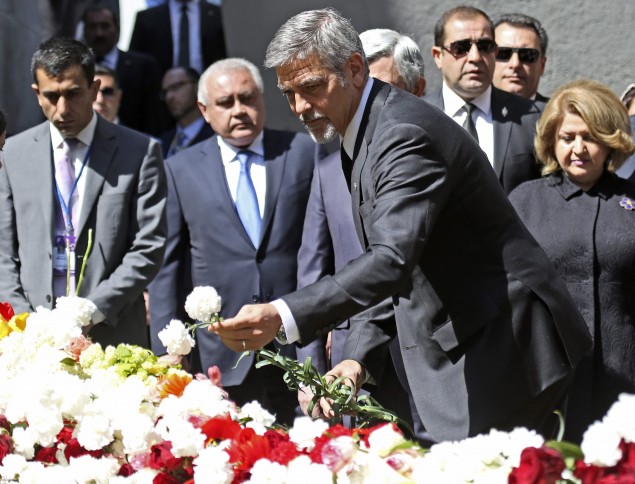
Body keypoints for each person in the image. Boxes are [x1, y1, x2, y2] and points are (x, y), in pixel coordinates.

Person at [211, 8, 592, 443]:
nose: (299, 106)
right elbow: (394, 262)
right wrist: (357, 359)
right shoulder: (362, 127)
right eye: (288, 93)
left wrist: (283, 314)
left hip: (510, 351)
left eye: (311, 87)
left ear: (355, 69)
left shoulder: (400, 132)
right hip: (469, 348)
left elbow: (391, 260)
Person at [149, 58, 316, 426]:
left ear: (262, 100)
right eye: (226, 103)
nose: (239, 110)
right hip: (222, 353)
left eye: (247, 98)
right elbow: (168, 267)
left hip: (299, 342)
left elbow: (326, 245)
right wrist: (169, 349)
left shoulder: (303, 153)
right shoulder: (180, 169)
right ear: (205, 112)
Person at [296, 27, 426, 438]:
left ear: (416, 90)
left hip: (433, 352)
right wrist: (310, 364)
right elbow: (314, 265)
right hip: (354, 362)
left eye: (382, 90)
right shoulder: (328, 167)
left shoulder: (427, 150)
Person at [0, 37, 167, 348]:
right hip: (31, 338)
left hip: (111, 337)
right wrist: (24, 321)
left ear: (94, 89)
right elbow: (3, 252)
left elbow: (149, 247)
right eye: (51, 96)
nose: (62, 109)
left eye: (73, 94)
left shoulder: (140, 152)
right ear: (37, 94)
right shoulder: (13, 154)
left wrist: (92, 311)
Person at [508, 79, 635, 443]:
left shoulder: (630, 201)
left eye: (590, 137)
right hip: (547, 376)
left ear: (610, 140)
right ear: (552, 141)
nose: (578, 148)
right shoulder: (526, 201)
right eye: (567, 138)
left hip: (623, 375)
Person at [427, 6, 542, 195]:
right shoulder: (417, 116)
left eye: (484, 46)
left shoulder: (533, 116)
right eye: (461, 48)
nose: (475, 57)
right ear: (438, 56)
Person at [83, 3, 165, 135]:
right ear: (85, 30)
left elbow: (153, 117)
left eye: (105, 26)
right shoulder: (75, 68)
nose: (99, 33)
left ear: (117, 28)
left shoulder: (143, 66)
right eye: (93, 27)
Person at [129, 0, 226, 77]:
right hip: (161, 95)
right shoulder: (147, 18)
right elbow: (135, 64)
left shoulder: (220, 15)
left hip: (209, 90)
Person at [492, 13, 549, 106]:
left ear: (542, 65)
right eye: (503, 53)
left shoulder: (561, 117)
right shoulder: (468, 115)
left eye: (527, 55)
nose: (515, 64)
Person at [160, 66, 214, 158]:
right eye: (165, 92)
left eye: (176, 87)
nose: (169, 97)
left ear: (197, 87)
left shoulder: (217, 137)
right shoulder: (162, 142)